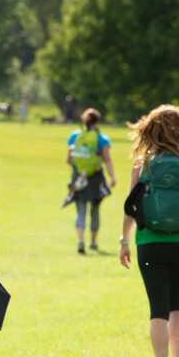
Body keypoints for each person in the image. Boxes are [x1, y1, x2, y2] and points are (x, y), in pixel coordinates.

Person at [119, 105, 179, 357]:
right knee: (178, 306)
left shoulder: (143, 162)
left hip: (150, 242)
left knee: (159, 308)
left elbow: (132, 206)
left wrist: (123, 241)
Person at [67, 108, 117, 254]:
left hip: (79, 177)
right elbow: (107, 159)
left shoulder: (75, 136)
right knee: (95, 211)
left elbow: (69, 159)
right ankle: (93, 242)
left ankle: (80, 240)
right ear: (98, 121)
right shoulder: (102, 139)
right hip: (95, 178)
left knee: (80, 210)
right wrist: (112, 176)